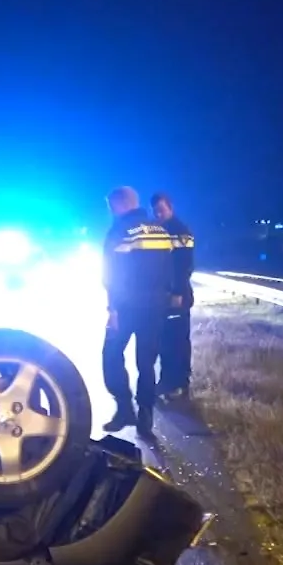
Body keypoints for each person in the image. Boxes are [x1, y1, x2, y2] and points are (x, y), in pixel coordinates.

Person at [101, 186, 177, 438]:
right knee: (146, 362)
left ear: (119, 204)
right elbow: (171, 268)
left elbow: (112, 274)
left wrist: (112, 308)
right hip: (155, 306)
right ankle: (145, 417)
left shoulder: (120, 230)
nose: (110, 211)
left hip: (126, 306)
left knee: (111, 353)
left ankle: (124, 408)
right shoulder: (160, 229)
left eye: (111, 206)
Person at [151, 191, 196, 398]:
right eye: (156, 210)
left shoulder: (181, 231)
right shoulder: (157, 230)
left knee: (179, 340)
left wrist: (177, 292)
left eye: (162, 209)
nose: (158, 213)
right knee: (164, 340)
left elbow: (185, 264)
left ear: (170, 208)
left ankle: (181, 382)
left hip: (178, 296)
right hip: (162, 296)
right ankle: (167, 381)